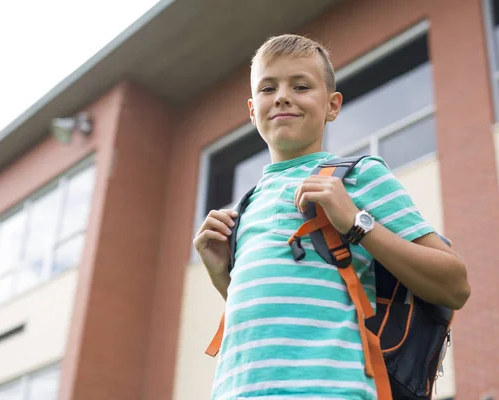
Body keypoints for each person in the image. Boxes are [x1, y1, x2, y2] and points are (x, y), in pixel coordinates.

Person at [193, 34, 471, 400]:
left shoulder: (357, 175)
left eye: (301, 85)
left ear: (332, 105)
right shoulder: (245, 206)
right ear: (251, 110)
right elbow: (283, 317)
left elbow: (456, 285)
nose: (281, 96)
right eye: (267, 88)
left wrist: (357, 223)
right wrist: (220, 275)